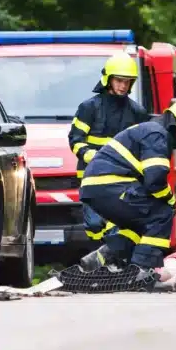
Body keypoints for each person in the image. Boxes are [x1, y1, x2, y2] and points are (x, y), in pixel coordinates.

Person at [77, 100, 176, 272]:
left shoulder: (151, 130)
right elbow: (154, 180)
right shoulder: (157, 135)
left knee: (139, 224)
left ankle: (104, 256)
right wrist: (170, 199)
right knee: (162, 213)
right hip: (110, 184)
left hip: (97, 187)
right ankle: (142, 270)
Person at [67, 51, 151, 242]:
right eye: (119, 80)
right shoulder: (89, 108)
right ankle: (99, 261)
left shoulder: (137, 112)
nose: (123, 85)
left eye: (127, 81)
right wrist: (92, 156)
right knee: (95, 225)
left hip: (122, 180)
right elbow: (75, 139)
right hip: (91, 178)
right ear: (109, 79)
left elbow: (143, 147)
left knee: (118, 226)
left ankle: (113, 265)